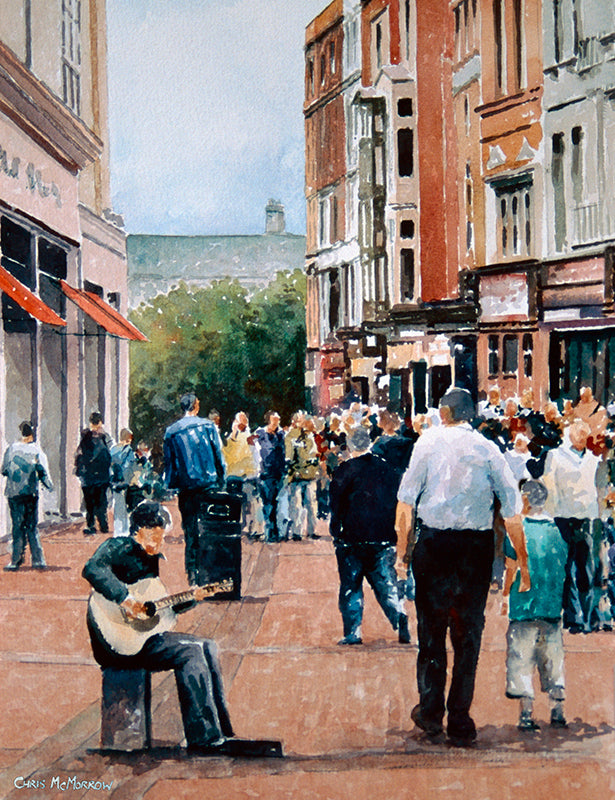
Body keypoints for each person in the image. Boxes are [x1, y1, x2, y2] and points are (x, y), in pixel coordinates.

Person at [82, 500, 282, 757]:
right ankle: (203, 738)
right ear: (140, 529)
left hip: (140, 637)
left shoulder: (149, 558)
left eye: (161, 537)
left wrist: (192, 598)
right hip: (115, 642)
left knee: (207, 646)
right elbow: (92, 569)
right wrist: (127, 601)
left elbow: (156, 608)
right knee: (190, 652)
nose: (159, 543)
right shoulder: (118, 547)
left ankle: (220, 732)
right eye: (155, 536)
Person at [395, 387, 527, 747]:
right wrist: (518, 557)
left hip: (435, 544)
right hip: (475, 548)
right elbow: (512, 503)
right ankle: (461, 716)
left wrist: (401, 553)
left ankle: (430, 711)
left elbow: (406, 502)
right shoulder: (488, 449)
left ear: (444, 412)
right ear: (471, 415)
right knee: (468, 635)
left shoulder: (426, 442)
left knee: (431, 631)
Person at [329, 426, 410, 645]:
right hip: (383, 535)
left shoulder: (343, 470)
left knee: (351, 585)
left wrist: (336, 531)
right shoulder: (388, 469)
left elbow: (336, 506)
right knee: (385, 582)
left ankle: (353, 632)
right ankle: (398, 614)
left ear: (350, 445)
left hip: (352, 537)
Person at [502, 480, 568, 731]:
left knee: (521, 658)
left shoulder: (518, 529)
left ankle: (526, 714)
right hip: (551, 604)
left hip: (524, 605)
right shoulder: (556, 530)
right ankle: (557, 709)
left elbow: (511, 566)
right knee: (553, 658)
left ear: (526, 499)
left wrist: (506, 595)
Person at [542, 420, 608, 633]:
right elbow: (550, 486)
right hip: (563, 517)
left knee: (586, 569)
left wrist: (600, 514)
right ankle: (573, 618)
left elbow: (598, 488)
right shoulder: (556, 456)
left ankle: (586, 616)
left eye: (584, 435)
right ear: (570, 435)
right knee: (566, 569)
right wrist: (552, 515)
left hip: (587, 518)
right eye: (578, 434)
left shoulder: (592, 459)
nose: (581, 438)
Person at [163, 393, 226, 584]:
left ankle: (192, 574)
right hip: (208, 485)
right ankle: (209, 572)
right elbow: (218, 455)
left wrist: (172, 485)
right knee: (209, 528)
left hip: (186, 488)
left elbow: (170, 464)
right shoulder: (208, 426)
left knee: (190, 531)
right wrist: (221, 480)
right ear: (196, 406)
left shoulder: (171, 431)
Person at [2, 421, 53, 571]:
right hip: (30, 492)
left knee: (17, 527)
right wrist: (48, 485)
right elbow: (43, 472)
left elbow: (4, 470)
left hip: (13, 492)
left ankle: (16, 560)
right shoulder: (36, 450)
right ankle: (38, 559)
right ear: (31, 434)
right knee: (31, 526)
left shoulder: (11, 449)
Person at [223, 411, 263, 538]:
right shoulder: (234, 439)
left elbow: (256, 458)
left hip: (243, 477)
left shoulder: (246, 438)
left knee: (248, 505)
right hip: (239, 477)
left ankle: (250, 530)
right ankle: (249, 529)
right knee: (246, 505)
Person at [75, 411, 113, 535]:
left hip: (88, 476)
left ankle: (91, 525)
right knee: (101, 501)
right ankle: (103, 525)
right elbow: (110, 455)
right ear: (101, 422)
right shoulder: (105, 437)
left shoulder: (85, 436)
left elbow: (79, 453)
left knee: (90, 502)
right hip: (101, 476)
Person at [285, 411, 319, 541]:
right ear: (295, 422)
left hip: (310, 474)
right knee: (296, 505)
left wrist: (312, 462)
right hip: (297, 475)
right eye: (301, 420)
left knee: (311, 504)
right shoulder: (291, 436)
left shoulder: (309, 436)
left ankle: (312, 530)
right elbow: (289, 457)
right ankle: (297, 532)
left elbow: (314, 453)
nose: (304, 422)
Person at [253, 410, 286, 542]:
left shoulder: (281, 435)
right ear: (268, 421)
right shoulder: (260, 434)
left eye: (278, 420)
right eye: (274, 420)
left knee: (276, 503)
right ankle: (270, 532)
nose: (276, 423)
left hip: (278, 473)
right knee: (268, 503)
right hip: (265, 473)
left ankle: (275, 531)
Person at [110, 428, 138, 536]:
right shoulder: (128, 450)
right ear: (128, 438)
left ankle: (117, 531)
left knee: (118, 505)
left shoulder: (113, 449)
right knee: (127, 507)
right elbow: (129, 466)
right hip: (125, 482)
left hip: (115, 481)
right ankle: (125, 530)